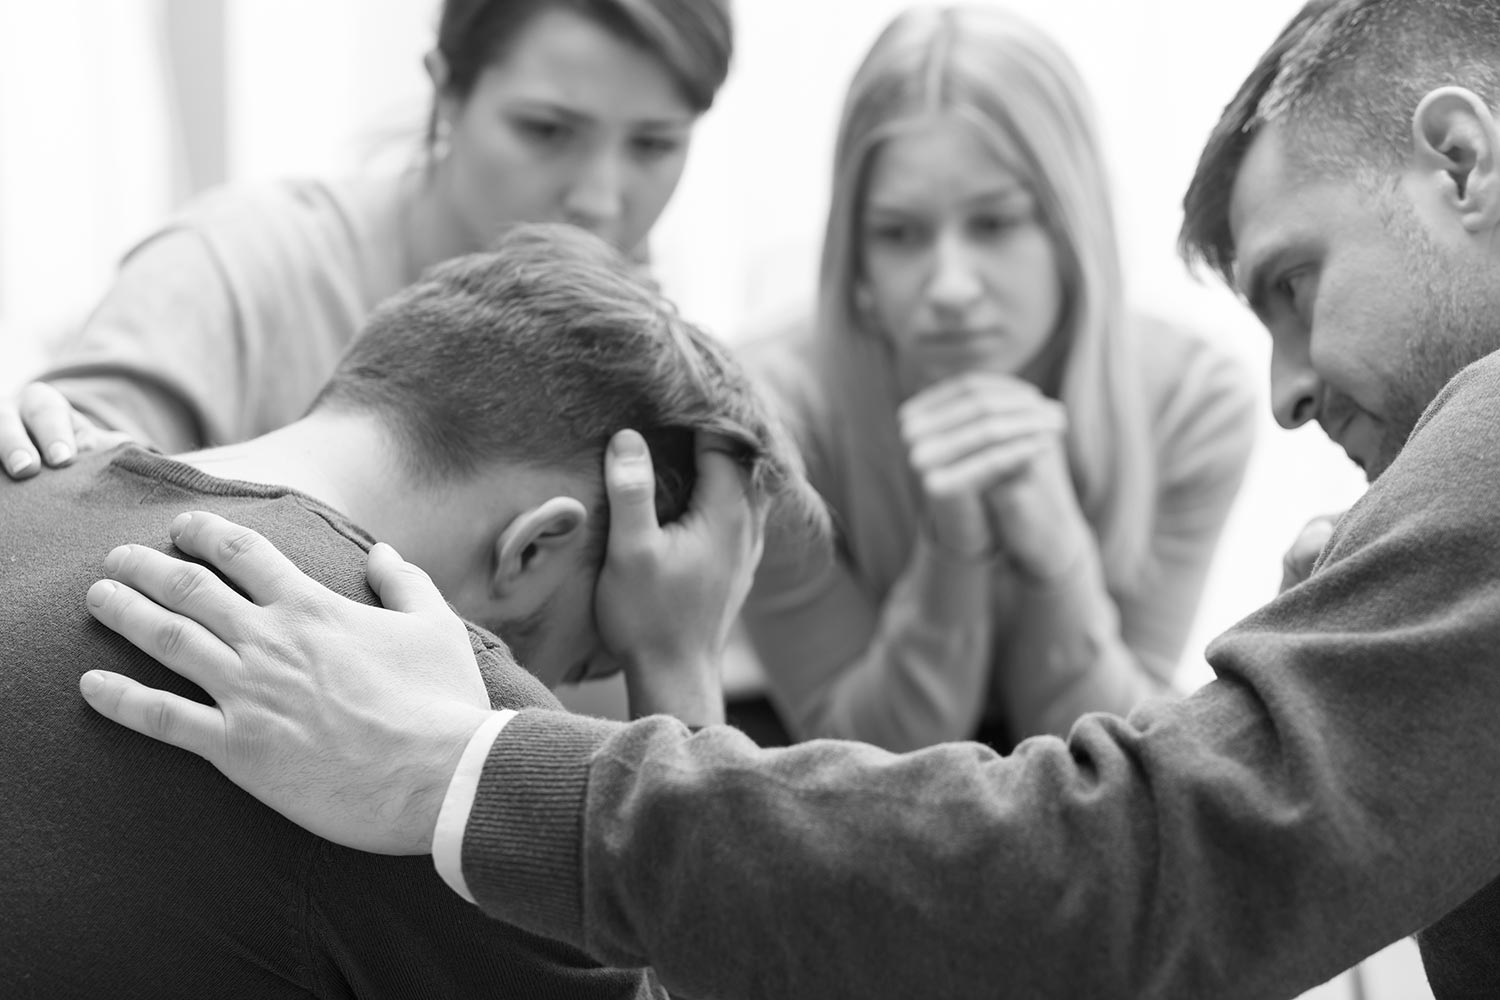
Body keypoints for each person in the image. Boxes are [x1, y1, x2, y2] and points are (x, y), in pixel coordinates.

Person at [69, 0, 1500, 996]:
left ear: (1464, 164)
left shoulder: (1214, 405)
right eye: (898, 233)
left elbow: (1157, 854)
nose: (1287, 392)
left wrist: (469, 761)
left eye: (1296, 287)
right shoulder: (755, 411)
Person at [0, 223, 817, 997]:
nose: (549, 690)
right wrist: (679, 667)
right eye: (581, 664)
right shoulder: (411, 719)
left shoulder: (30, 468)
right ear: (533, 549)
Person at [735, 5, 1256, 751]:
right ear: (854, 255)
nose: (949, 285)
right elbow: (860, 762)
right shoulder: (766, 415)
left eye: (995, 222)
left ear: (1073, 227)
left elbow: (1126, 769)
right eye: (898, 234)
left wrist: (1058, 560)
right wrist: (953, 554)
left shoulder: (1192, 402)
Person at [0, 0, 731, 474]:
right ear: (446, 90)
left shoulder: (650, 350)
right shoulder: (239, 263)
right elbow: (63, 478)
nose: (600, 199)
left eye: (654, 146)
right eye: (546, 130)